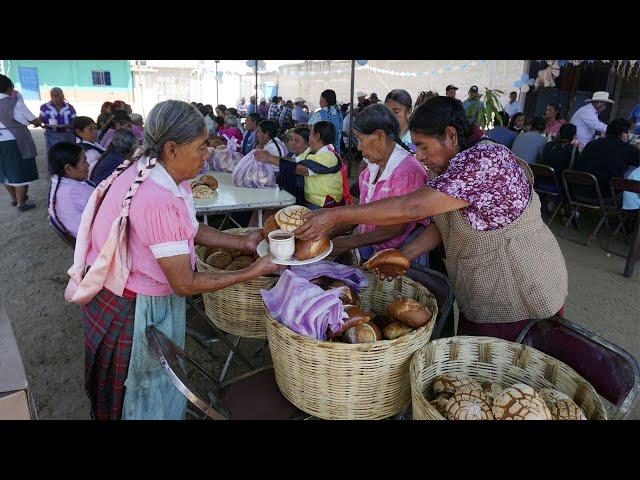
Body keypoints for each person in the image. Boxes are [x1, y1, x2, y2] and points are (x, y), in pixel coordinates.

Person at [69, 100, 281, 420]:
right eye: (200, 147)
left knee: (156, 380)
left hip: (122, 290)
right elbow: (184, 283)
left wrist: (243, 241)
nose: (206, 154)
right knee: (145, 387)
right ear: (171, 148)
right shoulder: (157, 198)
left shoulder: (147, 166)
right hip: (134, 305)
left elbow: (188, 229)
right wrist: (254, 270)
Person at [295, 95, 568, 341]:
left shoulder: (486, 161)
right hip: (484, 290)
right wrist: (402, 254)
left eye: (423, 147)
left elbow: (413, 208)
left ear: (450, 135)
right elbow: (442, 225)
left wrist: (334, 215)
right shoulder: (452, 165)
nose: (420, 157)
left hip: (521, 286)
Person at [328, 103, 429, 262]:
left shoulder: (408, 171)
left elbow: (398, 226)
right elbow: (360, 212)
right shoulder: (371, 169)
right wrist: (325, 235)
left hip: (402, 256)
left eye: (361, 139)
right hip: (374, 249)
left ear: (380, 136)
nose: (359, 147)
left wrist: (349, 242)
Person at [255, 121, 345, 210]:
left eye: (310, 134)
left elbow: (301, 169)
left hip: (324, 204)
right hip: (314, 201)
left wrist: (270, 158)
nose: (309, 139)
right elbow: (294, 161)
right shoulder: (313, 153)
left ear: (317, 136)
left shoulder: (327, 156)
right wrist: (270, 157)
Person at [0, 74, 42, 211]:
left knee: (5, 172)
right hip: (14, 140)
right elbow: (33, 119)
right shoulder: (14, 104)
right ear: (10, 88)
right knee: (21, 171)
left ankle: (14, 199)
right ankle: (21, 203)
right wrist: (38, 121)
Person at [574, 118, 639, 196]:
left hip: (579, 192)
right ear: (623, 135)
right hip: (606, 195)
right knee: (634, 171)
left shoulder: (591, 143)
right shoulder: (627, 148)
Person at [47, 142, 95, 238]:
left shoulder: (59, 183)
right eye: (84, 162)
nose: (88, 165)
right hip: (94, 239)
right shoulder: (74, 192)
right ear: (68, 168)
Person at [308, 89, 343, 154]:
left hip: (321, 150)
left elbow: (310, 131)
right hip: (335, 149)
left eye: (320, 99)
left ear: (324, 100)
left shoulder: (319, 114)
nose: (319, 102)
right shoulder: (339, 113)